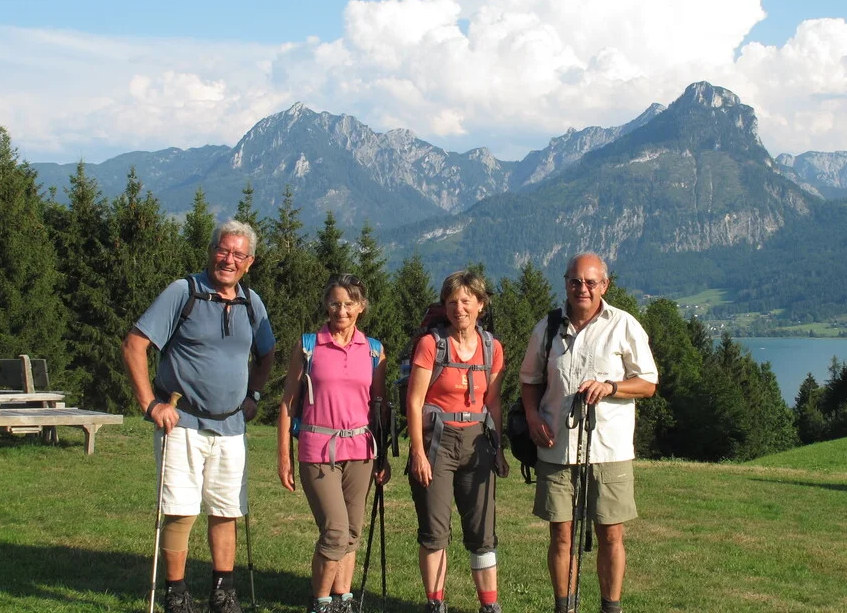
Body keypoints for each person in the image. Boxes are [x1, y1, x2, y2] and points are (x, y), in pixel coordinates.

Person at [123, 220, 276, 613]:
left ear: (249, 262)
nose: (228, 259)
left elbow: (268, 353)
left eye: (238, 255)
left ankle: (223, 594)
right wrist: (150, 404)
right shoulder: (183, 291)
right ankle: (176, 594)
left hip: (231, 426)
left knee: (226, 511)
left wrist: (254, 395)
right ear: (211, 251)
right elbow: (135, 344)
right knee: (180, 510)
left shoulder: (251, 302)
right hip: (182, 421)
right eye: (222, 251)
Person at [519, 253, 657, 613]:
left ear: (604, 285)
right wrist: (533, 417)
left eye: (591, 282)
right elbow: (529, 380)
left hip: (608, 450)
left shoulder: (624, 325)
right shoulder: (547, 328)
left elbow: (648, 384)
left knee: (611, 534)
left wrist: (611, 387)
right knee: (560, 534)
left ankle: (611, 608)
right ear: (565, 283)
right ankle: (564, 607)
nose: (583, 288)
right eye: (576, 281)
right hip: (556, 448)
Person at [277, 274, 390, 613]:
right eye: (335, 303)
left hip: (361, 451)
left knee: (353, 531)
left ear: (361, 307)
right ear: (326, 305)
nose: (341, 310)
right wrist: (283, 456)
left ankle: (343, 599)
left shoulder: (374, 351)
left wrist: (383, 456)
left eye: (348, 303)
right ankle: (321, 602)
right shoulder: (309, 345)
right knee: (336, 530)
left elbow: (379, 407)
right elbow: (288, 403)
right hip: (317, 449)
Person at [406, 270, 508, 613]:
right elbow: (414, 401)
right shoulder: (431, 345)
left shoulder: (492, 347)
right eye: (452, 301)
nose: (459, 308)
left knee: (482, 531)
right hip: (437, 442)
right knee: (435, 529)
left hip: (478, 441)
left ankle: (489, 606)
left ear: (481, 304)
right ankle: (436, 604)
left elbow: (493, 401)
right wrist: (417, 453)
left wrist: (499, 447)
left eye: (466, 300)